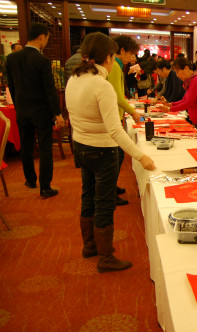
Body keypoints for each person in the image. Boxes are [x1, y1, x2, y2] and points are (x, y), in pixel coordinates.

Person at [66, 32, 156, 273]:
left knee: (88, 196)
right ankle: (105, 258)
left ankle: (90, 245)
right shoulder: (101, 85)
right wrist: (141, 156)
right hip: (102, 151)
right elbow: (115, 131)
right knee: (104, 203)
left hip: (81, 147)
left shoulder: (74, 79)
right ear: (108, 57)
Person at [6, 23, 65, 197]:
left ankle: (30, 180)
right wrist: (58, 113)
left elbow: (12, 86)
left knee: (26, 146)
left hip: (22, 110)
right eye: (47, 38)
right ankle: (45, 187)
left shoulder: (11, 59)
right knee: (45, 148)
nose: (46, 41)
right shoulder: (42, 61)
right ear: (41, 37)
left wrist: (18, 106)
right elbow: (49, 90)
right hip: (41, 111)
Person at [107, 35, 142, 206]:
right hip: (113, 116)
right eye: (130, 54)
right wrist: (133, 112)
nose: (131, 58)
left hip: (116, 114)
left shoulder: (116, 66)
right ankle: (110, 191)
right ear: (121, 50)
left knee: (117, 155)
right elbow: (117, 96)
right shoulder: (114, 66)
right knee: (116, 155)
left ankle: (112, 187)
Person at [158, 57, 197, 134]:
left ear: (186, 68)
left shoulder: (196, 81)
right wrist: (170, 104)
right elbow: (184, 100)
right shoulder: (191, 81)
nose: (177, 75)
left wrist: (169, 109)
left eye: (177, 72)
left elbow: (188, 103)